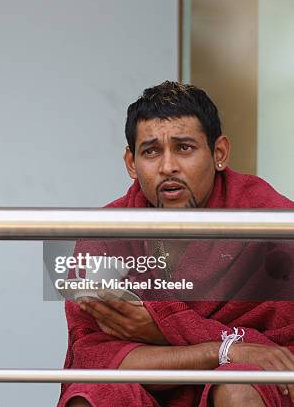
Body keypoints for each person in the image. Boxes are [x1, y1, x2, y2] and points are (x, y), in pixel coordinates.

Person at [58, 81, 294, 407]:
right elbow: (96, 355)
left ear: (219, 153)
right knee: (93, 395)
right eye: (151, 151)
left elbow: (279, 353)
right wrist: (220, 349)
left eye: (185, 148)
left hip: (241, 384)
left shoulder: (270, 218)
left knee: (239, 388)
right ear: (131, 163)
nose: (168, 166)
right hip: (150, 388)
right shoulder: (107, 231)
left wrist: (161, 329)